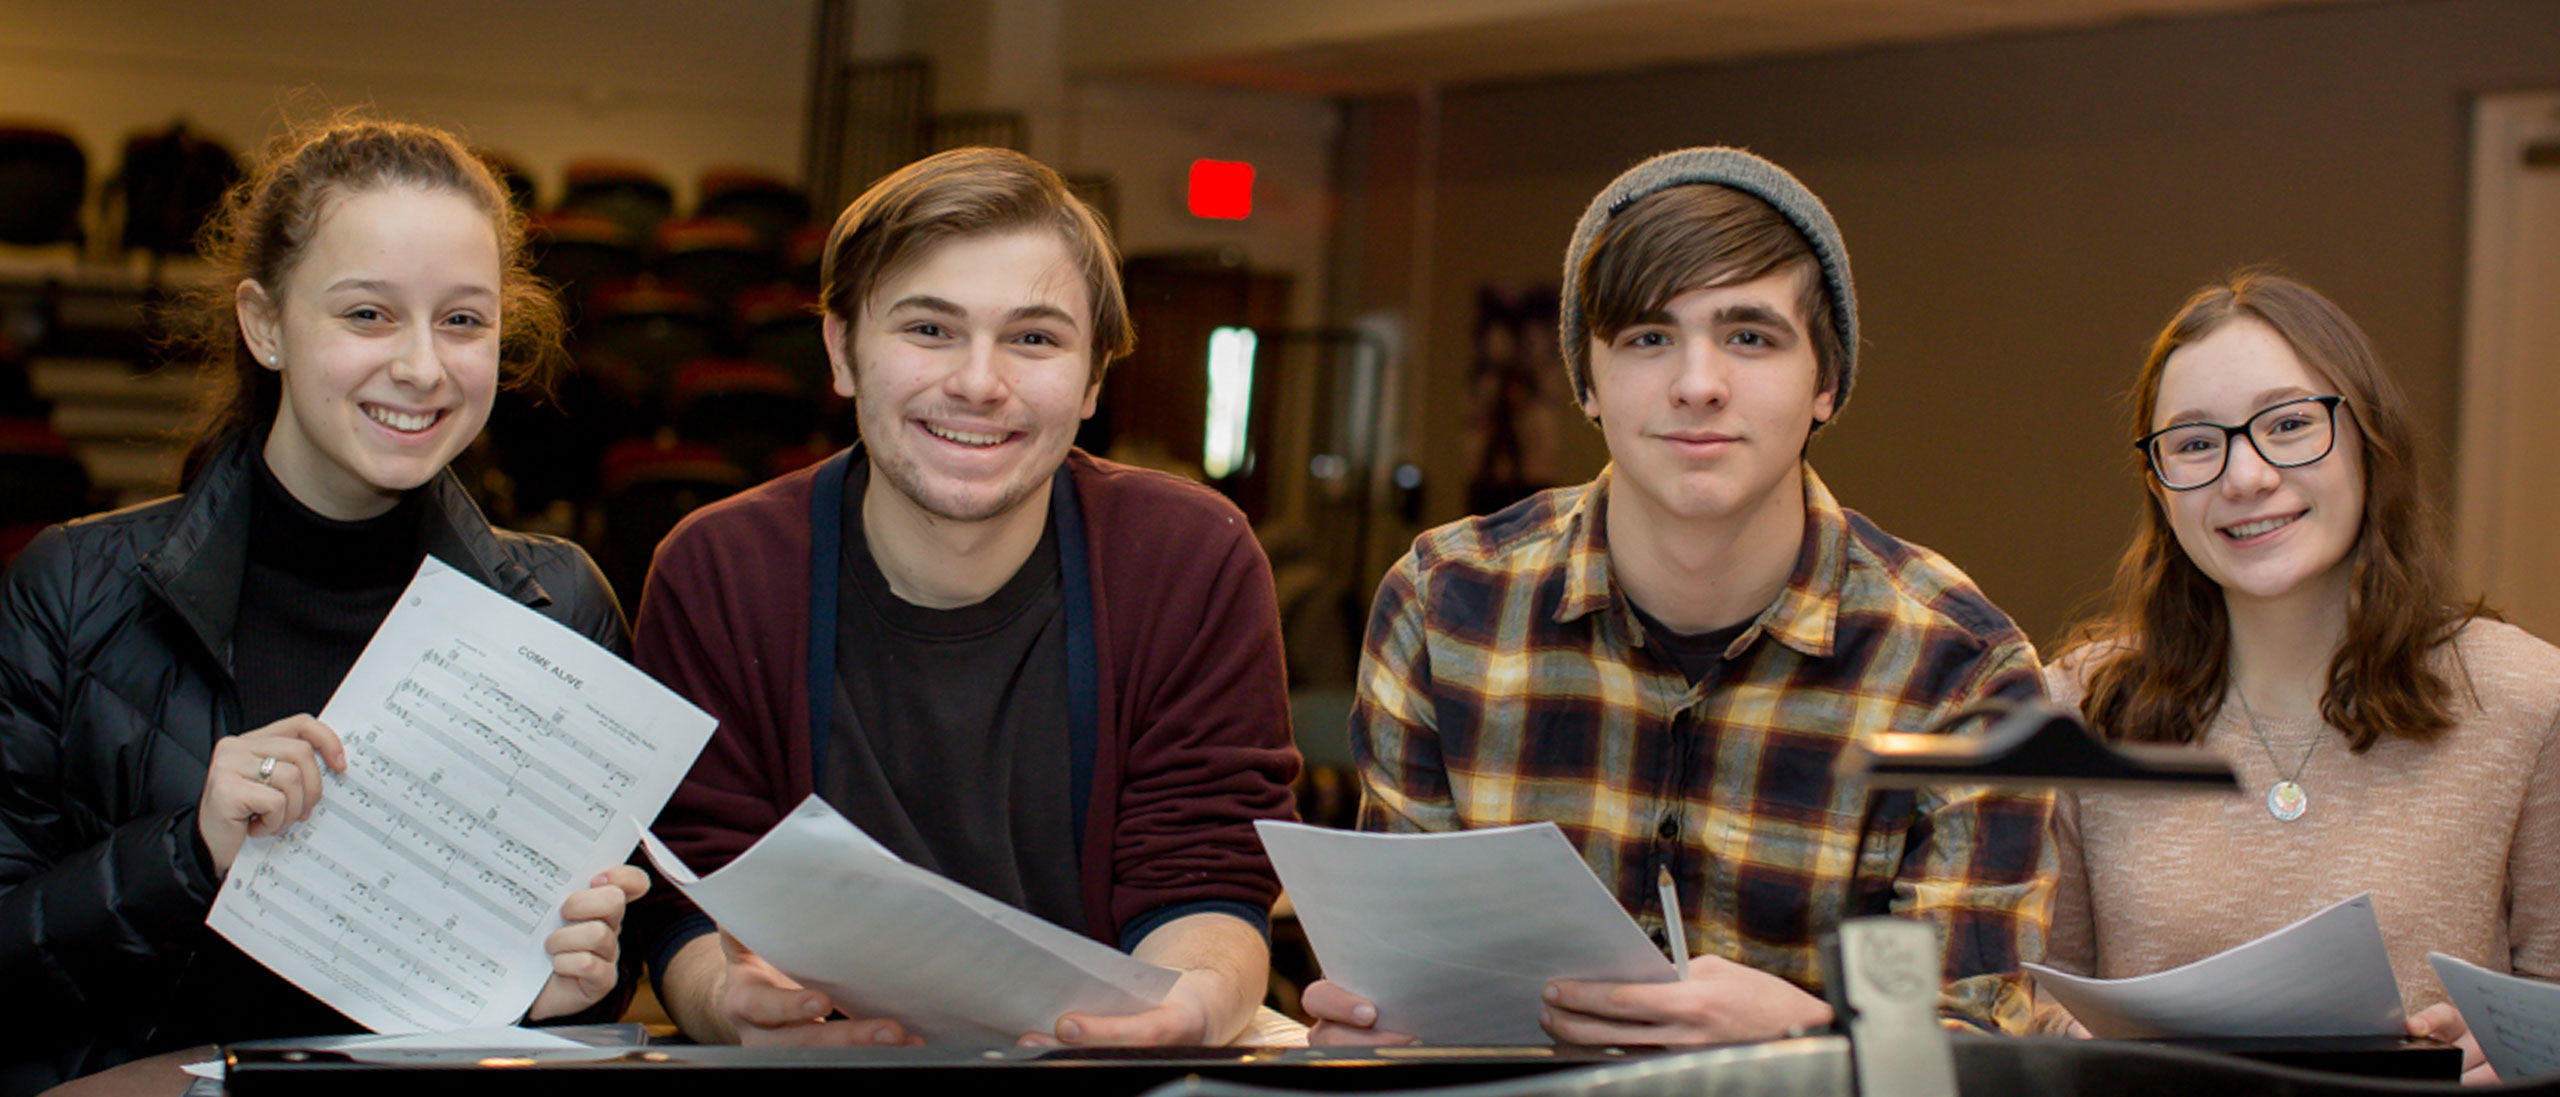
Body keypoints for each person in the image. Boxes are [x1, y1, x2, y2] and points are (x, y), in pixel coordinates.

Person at [1305, 147, 2054, 1046]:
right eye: (1649, 338)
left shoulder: (1961, 674)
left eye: (1750, 336)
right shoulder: (1444, 609)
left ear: (1826, 383)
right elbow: (1402, 981)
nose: (1698, 383)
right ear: (1587, 379)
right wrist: (1376, 1040)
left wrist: (1808, 1035)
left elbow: (1975, 1052)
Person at [0, 117, 645, 1095]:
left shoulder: (563, 607)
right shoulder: (70, 588)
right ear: (265, 325)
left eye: (463, 320)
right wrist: (189, 853)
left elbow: (586, 963)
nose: (424, 366)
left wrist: (573, 986)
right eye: (368, 315)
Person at [628, 147, 1300, 1049]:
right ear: (841, 350)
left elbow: (1204, 878)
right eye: (930, 329)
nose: (980, 383)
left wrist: (1186, 1010)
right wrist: (729, 1006)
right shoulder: (720, 570)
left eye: (1034, 338)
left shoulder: (1188, 558)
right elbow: (693, 890)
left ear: (1095, 376)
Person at [2034, 271, 2558, 1083]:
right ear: (2158, 485)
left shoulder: (2527, 698)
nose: (2244, 477)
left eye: (2287, 424)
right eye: (2196, 443)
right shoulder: (2075, 706)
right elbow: (2019, 998)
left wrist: (2515, 1046)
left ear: (2367, 438)